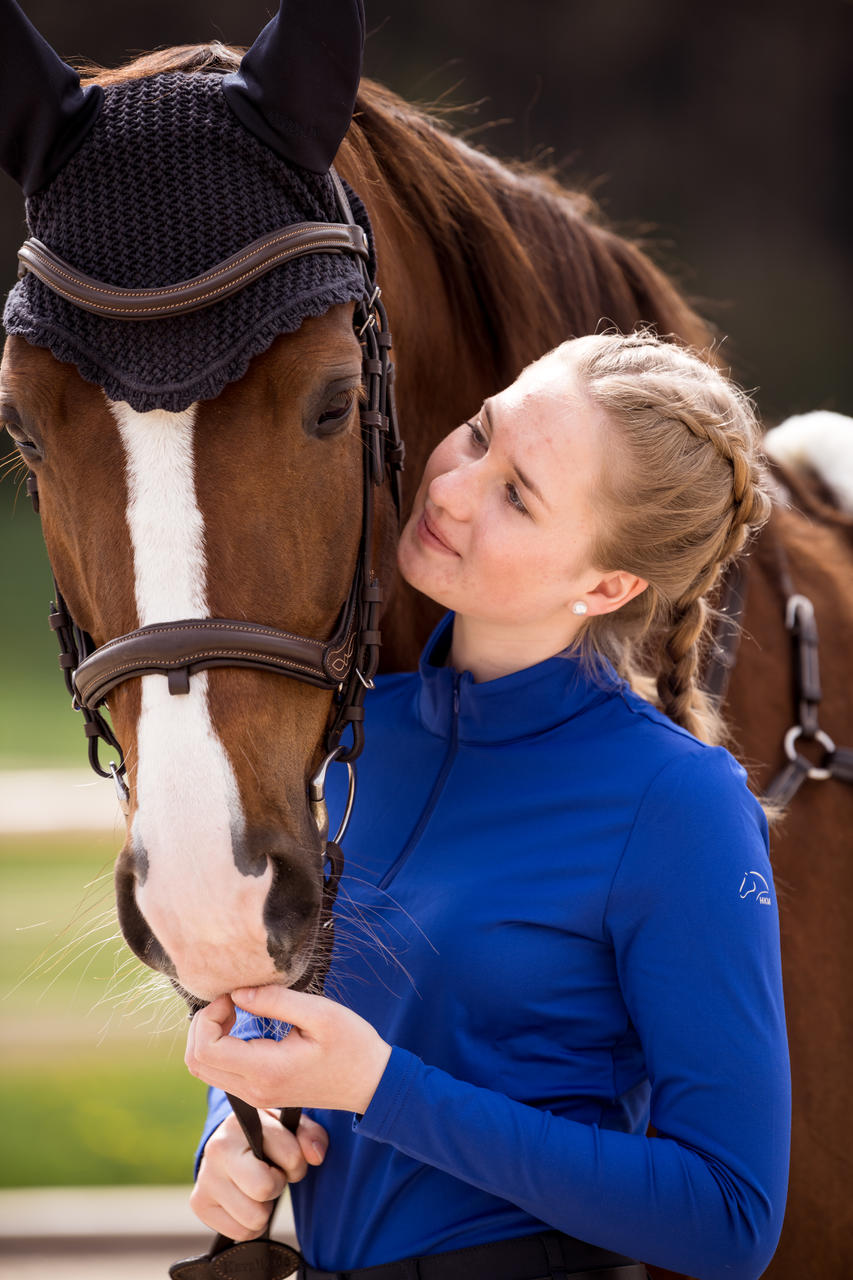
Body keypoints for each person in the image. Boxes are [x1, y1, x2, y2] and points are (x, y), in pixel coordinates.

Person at [184, 331, 790, 1280]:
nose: (453, 488)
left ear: (608, 584)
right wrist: (237, 1123)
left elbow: (728, 1218)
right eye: (478, 433)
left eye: (516, 495)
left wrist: (381, 1089)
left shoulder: (678, 804)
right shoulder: (350, 734)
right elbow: (309, 1022)